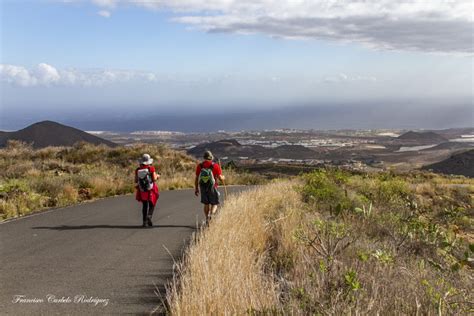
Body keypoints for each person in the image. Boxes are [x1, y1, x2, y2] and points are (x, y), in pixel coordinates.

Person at [194, 150, 225, 224]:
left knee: (206, 203)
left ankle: (207, 217)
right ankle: (211, 215)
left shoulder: (200, 166)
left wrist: (196, 188)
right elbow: (220, 178)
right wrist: (224, 177)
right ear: (211, 157)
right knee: (214, 204)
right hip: (213, 187)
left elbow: (197, 178)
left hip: (203, 187)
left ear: (204, 157)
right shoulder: (215, 166)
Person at [135, 153, 160, 227]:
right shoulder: (151, 168)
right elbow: (154, 179)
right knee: (152, 204)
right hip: (150, 189)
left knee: (145, 205)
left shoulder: (137, 170)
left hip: (142, 190)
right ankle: (149, 216)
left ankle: (144, 222)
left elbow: (136, 180)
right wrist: (158, 176)